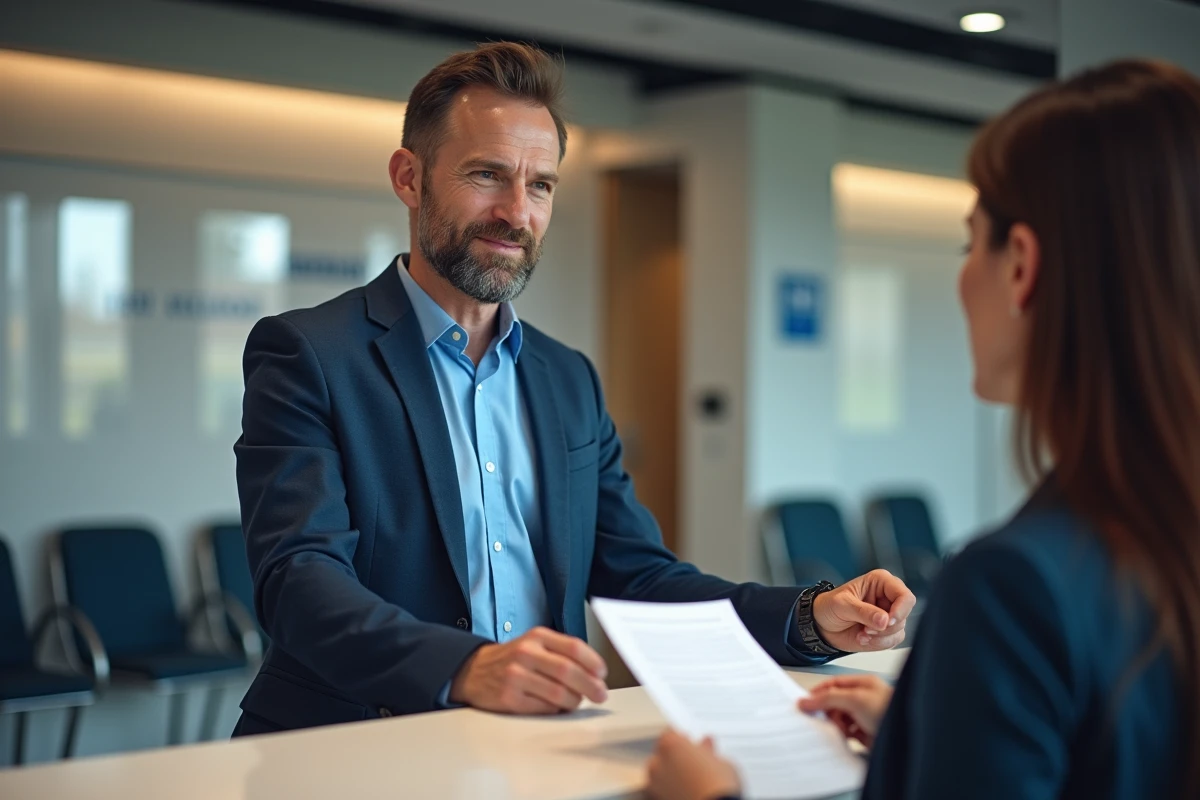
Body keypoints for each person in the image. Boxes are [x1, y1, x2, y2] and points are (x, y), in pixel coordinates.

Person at [230, 42, 916, 736]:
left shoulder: (567, 380)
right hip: (349, 746)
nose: (516, 212)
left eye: (540, 186)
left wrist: (809, 616)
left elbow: (640, 578)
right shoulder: (309, 353)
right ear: (409, 178)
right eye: (486, 175)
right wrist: (463, 666)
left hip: (532, 746)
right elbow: (299, 578)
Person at [644, 58, 1199, 800]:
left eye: (970, 244)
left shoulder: (1014, 590)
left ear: (1022, 268)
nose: (964, 276)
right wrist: (924, 740)